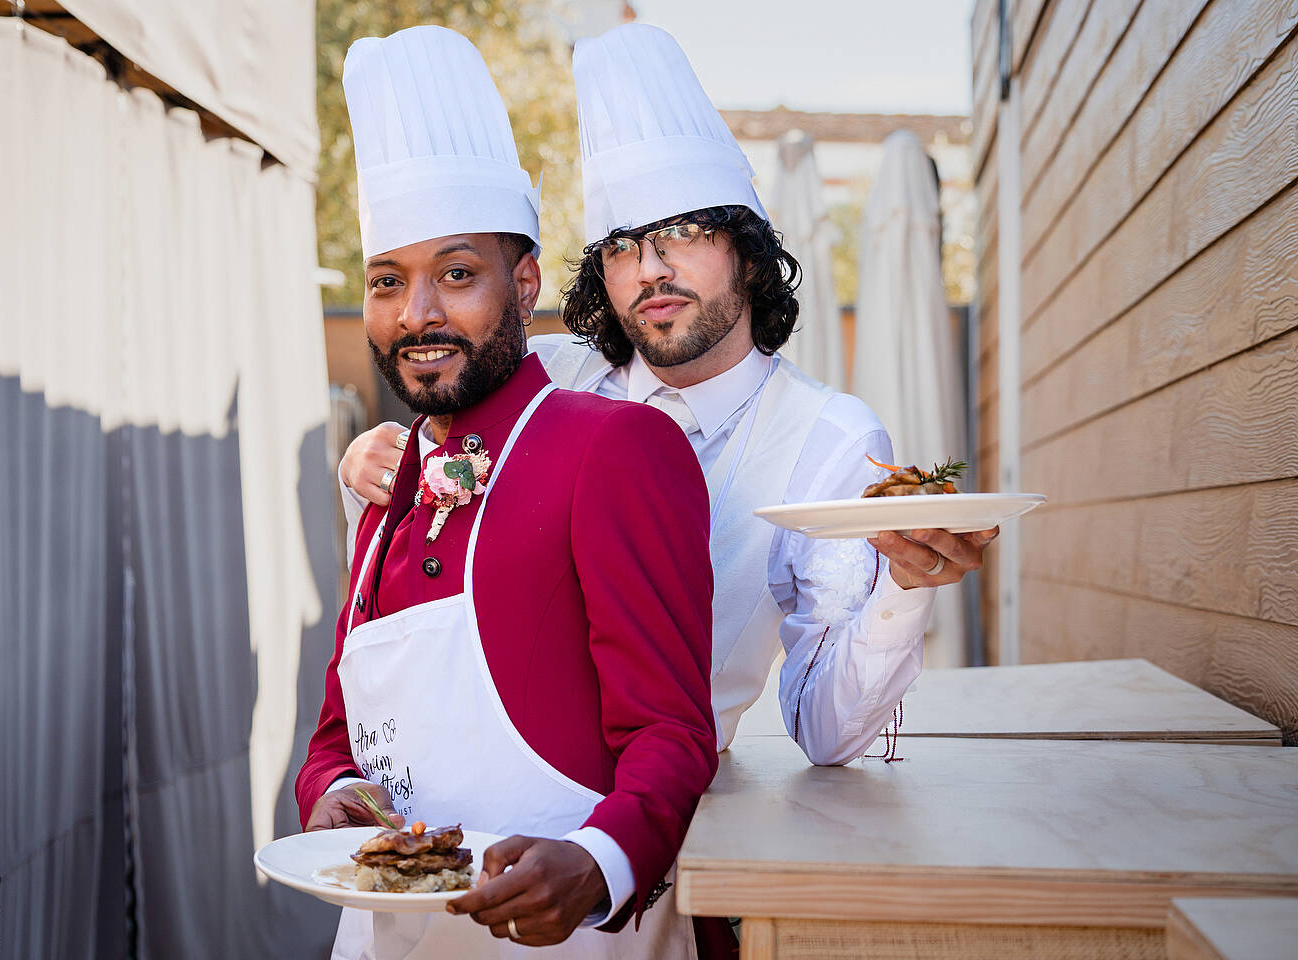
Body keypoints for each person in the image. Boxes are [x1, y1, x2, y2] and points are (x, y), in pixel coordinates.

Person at [340, 22, 998, 772]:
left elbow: (827, 731)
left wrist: (905, 590)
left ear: (747, 256)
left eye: (682, 232)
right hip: (467, 785)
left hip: (663, 826)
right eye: (620, 245)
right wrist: (365, 461)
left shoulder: (829, 440)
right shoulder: (548, 376)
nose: (650, 270)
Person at [296, 25, 719, 960]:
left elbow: (672, 731)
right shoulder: (383, 491)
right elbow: (336, 732)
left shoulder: (615, 446)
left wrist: (601, 861)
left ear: (523, 282)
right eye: (386, 282)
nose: (418, 315)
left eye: (456, 274)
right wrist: (332, 795)